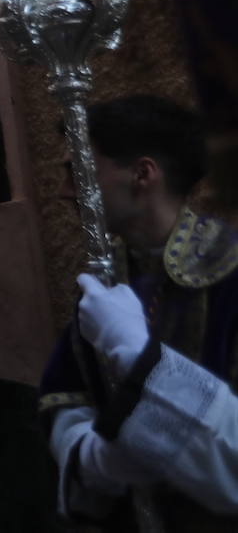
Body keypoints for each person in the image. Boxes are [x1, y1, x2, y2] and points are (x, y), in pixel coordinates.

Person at [39, 95, 238, 526]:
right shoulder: (108, 277)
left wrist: (137, 357)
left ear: (142, 174)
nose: (65, 191)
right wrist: (93, 456)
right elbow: (66, 393)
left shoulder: (230, 270)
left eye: (77, 171)